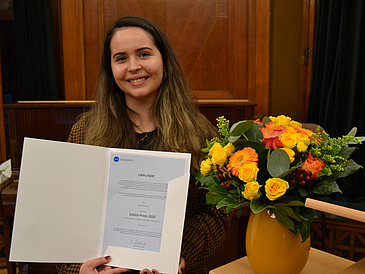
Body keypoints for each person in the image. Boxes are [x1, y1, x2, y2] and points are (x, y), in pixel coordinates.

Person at [56, 16, 231, 274]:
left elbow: (216, 213)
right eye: (121, 58)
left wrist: (178, 256)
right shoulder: (84, 133)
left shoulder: (201, 134)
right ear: (110, 71)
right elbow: (67, 217)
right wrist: (77, 270)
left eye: (144, 54)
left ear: (164, 62)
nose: (134, 66)